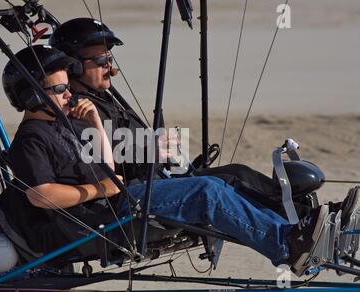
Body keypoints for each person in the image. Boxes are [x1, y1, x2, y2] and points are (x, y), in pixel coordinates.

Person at [0, 44, 358, 277]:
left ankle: (299, 231)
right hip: (101, 217)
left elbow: (102, 165)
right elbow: (41, 195)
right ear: (31, 95)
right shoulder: (32, 139)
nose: (67, 94)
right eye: (59, 89)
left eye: (67, 87)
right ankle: (287, 245)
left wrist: (94, 124)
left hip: (117, 198)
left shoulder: (64, 125)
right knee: (206, 191)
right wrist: (98, 189)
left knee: (218, 182)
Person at [48, 18, 303, 219]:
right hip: (132, 195)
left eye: (110, 58)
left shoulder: (104, 97)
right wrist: (148, 154)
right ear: (75, 67)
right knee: (223, 185)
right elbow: (100, 167)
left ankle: (301, 209)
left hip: (161, 178)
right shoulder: (80, 112)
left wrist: (159, 149)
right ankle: (293, 222)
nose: (111, 66)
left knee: (238, 172)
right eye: (102, 59)